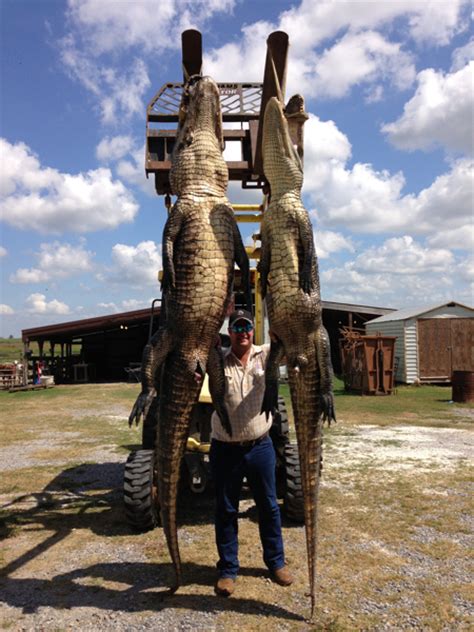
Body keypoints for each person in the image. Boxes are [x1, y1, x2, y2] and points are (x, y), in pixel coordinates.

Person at [209, 308, 293, 597]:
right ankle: (228, 570)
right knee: (226, 509)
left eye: (247, 326)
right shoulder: (216, 358)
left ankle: (276, 562)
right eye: (237, 327)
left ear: (252, 331)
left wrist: (281, 328)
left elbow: (289, 345)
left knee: (269, 507)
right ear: (229, 331)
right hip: (225, 449)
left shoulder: (267, 354)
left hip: (260, 447)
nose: (243, 331)